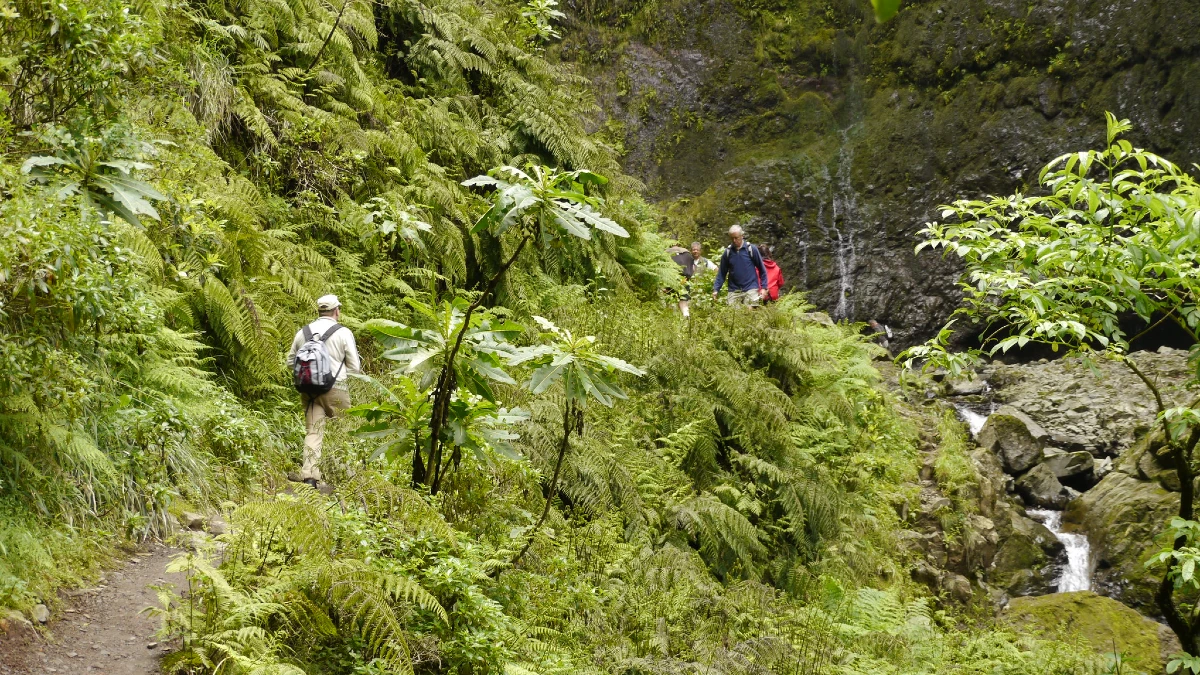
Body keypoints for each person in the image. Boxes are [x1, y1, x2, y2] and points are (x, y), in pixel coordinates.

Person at [286, 294, 361, 487]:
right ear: (337, 311)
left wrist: (312, 375)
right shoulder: (343, 332)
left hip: (309, 390)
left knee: (313, 432)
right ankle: (345, 477)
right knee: (344, 432)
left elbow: (290, 362)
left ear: (319, 311)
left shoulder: (303, 332)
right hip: (337, 389)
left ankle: (310, 476)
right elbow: (355, 367)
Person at [712, 225, 769, 306]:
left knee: (750, 315)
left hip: (751, 288)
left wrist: (764, 287)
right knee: (734, 317)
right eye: (732, 238)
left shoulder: (751, 249)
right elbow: (721, 273)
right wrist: (716, 289)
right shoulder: (727, 253)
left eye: (736, 238)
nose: (734, 241)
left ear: (742, 236)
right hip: (734, 290)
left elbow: (762, 269)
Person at [671, 241, 717, 317]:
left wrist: (712, 281)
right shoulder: (686, 260)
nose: (695, 251)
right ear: (691, 251)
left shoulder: (705, 262)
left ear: (700, 251)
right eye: (693, 250)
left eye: (697, 250)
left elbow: (716, 269)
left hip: (700, 293)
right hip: (687, 291)